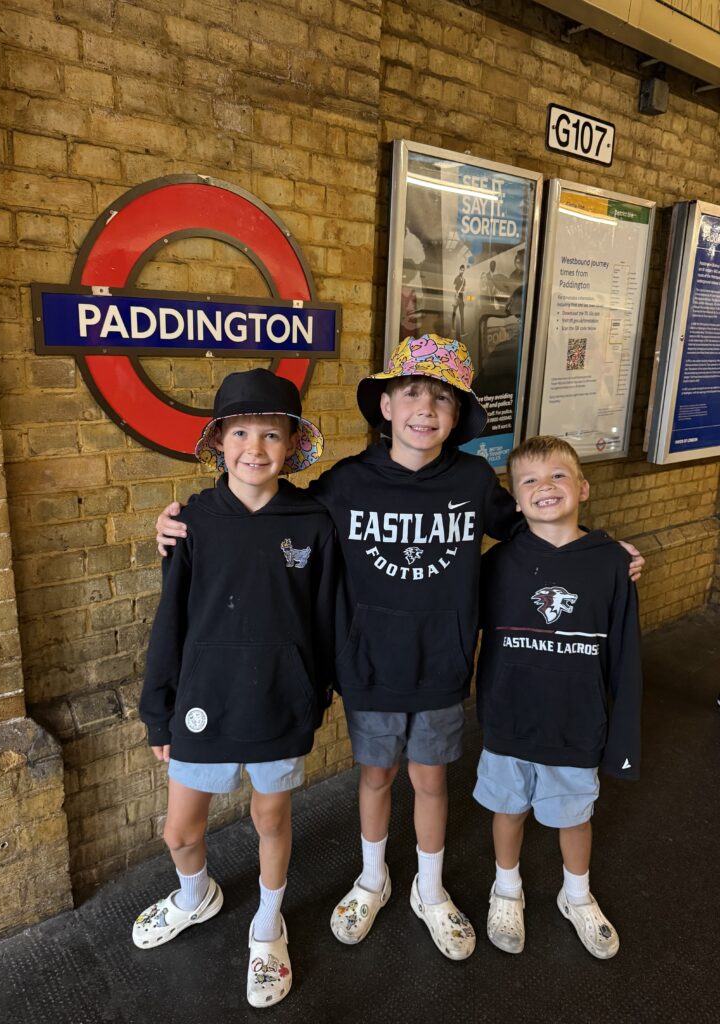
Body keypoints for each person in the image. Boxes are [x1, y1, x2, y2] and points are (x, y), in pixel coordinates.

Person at [155, 338, 644, 963]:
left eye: (442, 398)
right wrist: (184, 520)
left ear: (457, 416)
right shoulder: (346, 482)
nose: (425, 408)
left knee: (431, 779)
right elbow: (273, 510)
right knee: (377, 776)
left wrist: (600, 553)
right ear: (385, 406)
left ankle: (429, 888)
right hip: (369, 666)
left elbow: (534, 522)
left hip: (440, 664)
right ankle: (372, 878)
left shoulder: (472, 480)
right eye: (411, 393)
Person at [133, 368, 338, 1009]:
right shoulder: (191, 521)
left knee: (270, 818)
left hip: (280, 701)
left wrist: (316, 693)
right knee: (179, 831)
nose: (255, 448)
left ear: (292, 445)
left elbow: (325, 619)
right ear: (219, 442)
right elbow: (171, 621)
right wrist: (159, 710)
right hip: (204, 702)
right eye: (241, 433)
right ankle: (196, 896)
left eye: (271, 434)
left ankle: (268, 923)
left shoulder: (315, 521)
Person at [474, 435, 641, 960]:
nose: (544, 486)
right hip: (509, 717)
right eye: (529, 480)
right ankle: (507, 890)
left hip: (576, 720)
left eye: (558, 475)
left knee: (574, 815)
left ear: (583, 488)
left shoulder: (610, 564)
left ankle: (577, 895)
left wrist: (622, 737)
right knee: (508, 810)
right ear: (515, 500)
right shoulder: (496, 564)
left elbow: (625, 655)